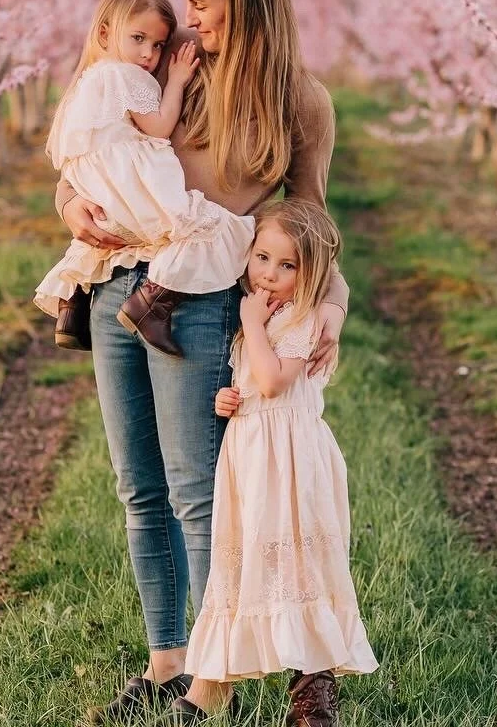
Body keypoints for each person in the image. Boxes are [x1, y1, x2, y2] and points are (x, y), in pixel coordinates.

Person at [55, 0, 348, 726]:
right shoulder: (169, 68)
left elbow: (312, 217)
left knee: (200, 491)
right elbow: (93, 152)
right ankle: (166, 662)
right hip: (120, 279)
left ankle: (226, 670)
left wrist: (331, 301)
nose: (188, 22)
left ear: (247, 6)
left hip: (207, 294)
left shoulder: (298, 100)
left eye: (203, 8)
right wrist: (69, 207)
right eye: (186, 6)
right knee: (137, 487)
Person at [167, 200, 376, 726]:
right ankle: (223, 679)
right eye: (262, 258)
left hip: (291, 459)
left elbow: (274, 380)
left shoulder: (305, 320)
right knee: (253, 555)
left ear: (312, 275)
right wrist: (229, 400)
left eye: (288, 267)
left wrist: (252, 325)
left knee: (297, 560)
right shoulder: (266, 318)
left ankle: (311, 688)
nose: (269, 274)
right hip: (252, 456)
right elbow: (252, 386)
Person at [33, 0, 253, 356]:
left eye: (156, 46)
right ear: (105, 33)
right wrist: (179, 80)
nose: (148, 55)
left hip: (98, 184)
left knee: (104, 233)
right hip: (128, 181)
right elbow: (160, 126)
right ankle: (152, 304)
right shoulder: (128, 76)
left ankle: (72, 302)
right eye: (138, 39)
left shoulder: (88, 77)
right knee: (209, 227)